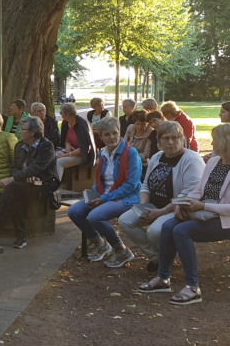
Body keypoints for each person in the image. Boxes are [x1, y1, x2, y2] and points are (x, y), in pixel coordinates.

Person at [138, 123, 230, 305]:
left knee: (182, 231)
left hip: (224, 219)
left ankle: (193, 287)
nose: (212, 144)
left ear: (226, 142)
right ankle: (163, 278)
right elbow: (198, 190)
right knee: (168, 226)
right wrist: (182, 204)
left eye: (215, 140)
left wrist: (202, 206)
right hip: (205, 212)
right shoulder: (214, 162)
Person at [118, 121, 204, 272]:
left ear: (182, 139)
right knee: (125, 221)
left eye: (175, 137)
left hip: (178, 208)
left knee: (155, 231)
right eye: (166, 138)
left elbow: (187, 195)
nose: (171, 142)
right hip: (154, 205)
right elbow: (146, 185)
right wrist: (143, 206)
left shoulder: (191, 160)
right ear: (159, 141)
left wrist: (161, 212)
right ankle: (158, 257)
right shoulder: (157, 157)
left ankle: (166, 258)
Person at [67, 117, 142, 267]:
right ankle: (100, 243)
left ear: (120, 133)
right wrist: (93, 194)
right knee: (74, 211)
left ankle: (121, 250)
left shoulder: (131, 153)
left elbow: (131, 185)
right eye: (107, 134)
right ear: (100, 137)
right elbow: (99, 179)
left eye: (115, 133)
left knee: (95, 216)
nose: (111, 137)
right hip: (105, 195)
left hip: (127, 197)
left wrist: (104, 198)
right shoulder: (103, 153)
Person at [0, 116, 56, 248]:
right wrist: (21, 177)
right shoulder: (20, 145)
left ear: (32, 132)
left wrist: (15, 178)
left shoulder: (46, 146)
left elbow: (37, 168)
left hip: (42, 184)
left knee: (13, 188)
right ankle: (14, 235)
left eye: (23, 129)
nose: (19, 132)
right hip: (22, 182)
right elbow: (13, 167)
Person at [56, 102, 96, 180]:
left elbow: (85, 148)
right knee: (52, 156)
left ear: (67, 114)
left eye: (61, 113)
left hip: (81, 155)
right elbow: (65, 139)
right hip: (70, 151)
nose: (60, 115)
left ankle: (55, 185)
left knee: (60, 162)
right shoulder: (66, 123)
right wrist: (67, 145)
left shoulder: (82, 125)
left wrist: (67, 155)